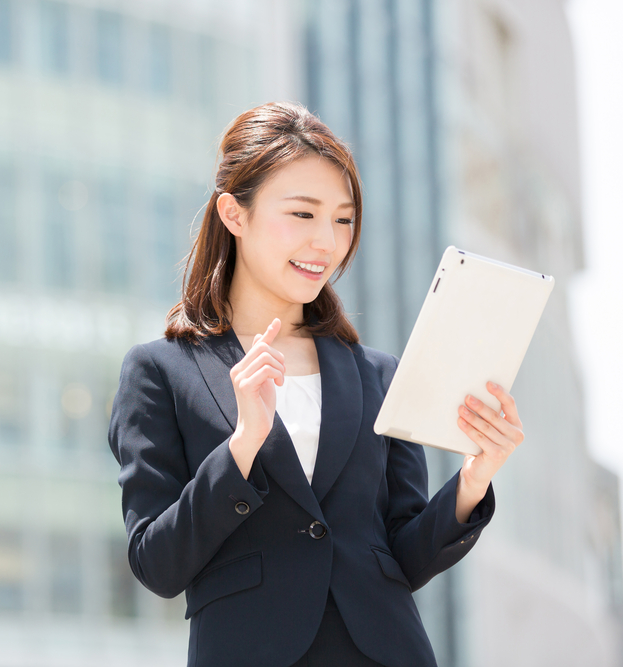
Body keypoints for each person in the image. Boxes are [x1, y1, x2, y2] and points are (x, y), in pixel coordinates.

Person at [107, 102, 524, 667]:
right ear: (234, 214)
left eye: (343, 219)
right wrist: (242, 446)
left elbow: (401, 554)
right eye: (303, 215)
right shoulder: (160, 371)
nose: (327, 242)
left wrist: (473, 482)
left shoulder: (377, 374)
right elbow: (157, 564)